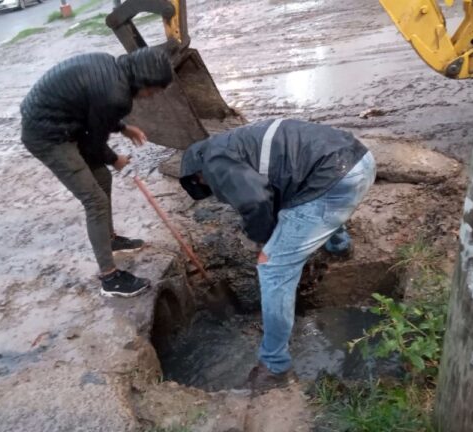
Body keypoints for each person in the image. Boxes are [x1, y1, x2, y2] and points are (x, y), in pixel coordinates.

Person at [179, 119, 376, 392]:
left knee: (272, 268)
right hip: (360, 161)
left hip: (335, 180)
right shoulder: (236, 143)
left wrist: (263, 242)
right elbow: (281, 186)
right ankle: (339, 245)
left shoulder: (213, 162)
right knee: (300, 202)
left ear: (197, 176)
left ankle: (274, 368)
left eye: (206, 187)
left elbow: (256, 201)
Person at [21, 48, 173, 298]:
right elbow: (94, 141)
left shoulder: (112, 68)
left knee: (102, 178)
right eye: (155, 91)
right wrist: (115, 159)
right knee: (95, 201)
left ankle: (109, 238)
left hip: (61, 123)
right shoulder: (117, 95)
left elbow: (92, 111)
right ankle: (110, 278)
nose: (152, 96)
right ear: (144, 82)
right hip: (48, 136)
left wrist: (123, 128)